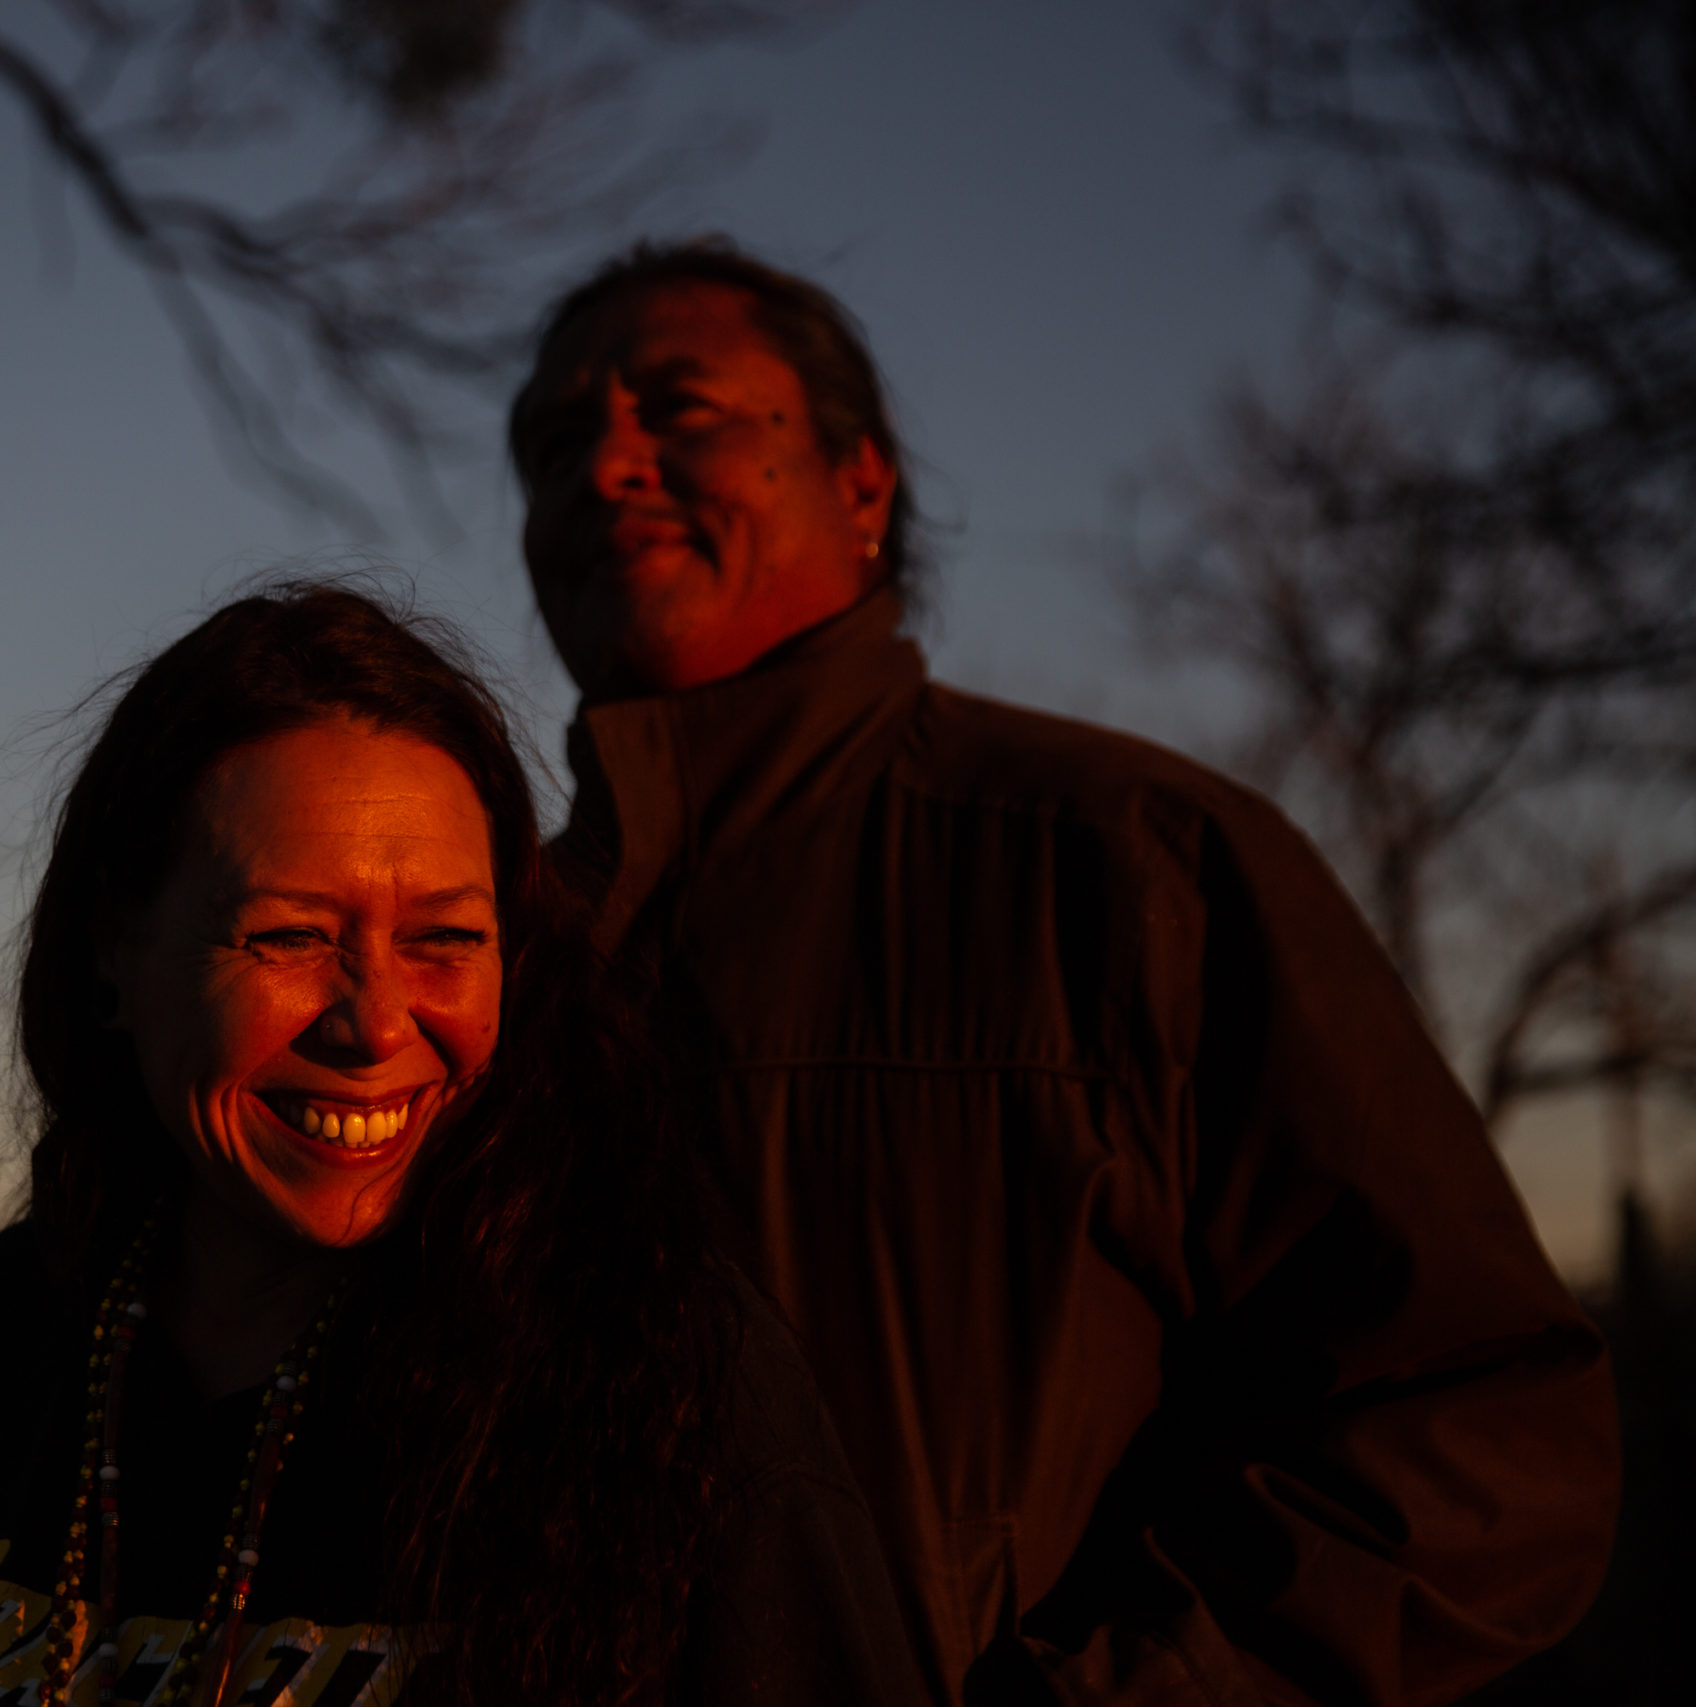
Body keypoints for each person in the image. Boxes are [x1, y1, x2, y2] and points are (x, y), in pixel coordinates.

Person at [506, 239, 1620, 1707]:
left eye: (681, 408)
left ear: (861, 481)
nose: (603, 465)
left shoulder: (1132, 864)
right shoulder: (483, 953)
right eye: (552, 436)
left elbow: (1484, 1436)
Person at [0, 584, 925, 1707]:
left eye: (444, 939)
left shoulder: (665, 1376)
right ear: (115, 950)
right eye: (289, 936)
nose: (377, 1026)